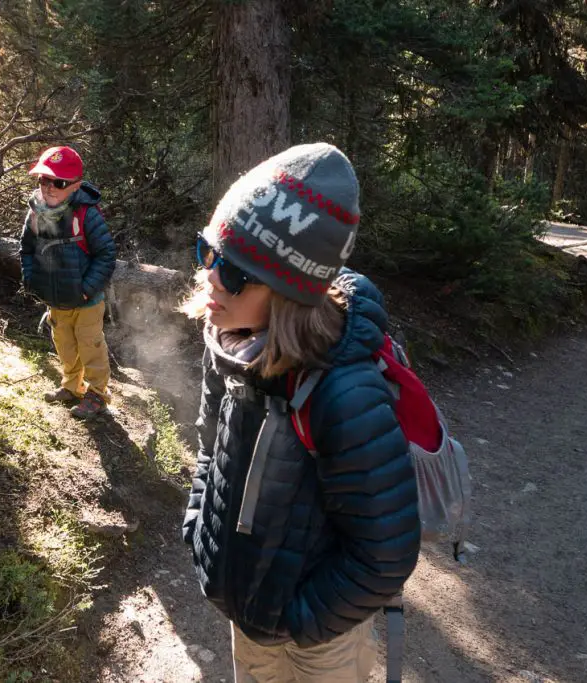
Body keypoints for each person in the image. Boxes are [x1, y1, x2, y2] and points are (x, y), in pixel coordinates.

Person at [180, 143, 421, 682]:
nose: (211, 279)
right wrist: (199, 534)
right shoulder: (228, 346)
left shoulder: (344, 392)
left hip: (318, 643)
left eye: (236, 272)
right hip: (246, 615)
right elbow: (208, 449)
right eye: (207, 252)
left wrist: (298, 621)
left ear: (289, 290)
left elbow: (385, 555)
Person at [20, 146, 116, 419]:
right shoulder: (36, 211)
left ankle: (97, 394)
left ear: (75, 186)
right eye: (43, 180)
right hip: (55, 298)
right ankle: (72, 387)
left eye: (59, 183)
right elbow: (26, 248)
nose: (49, 188)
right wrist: (30, 279)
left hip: (87, 300)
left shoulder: (86, 214)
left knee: (90, 345)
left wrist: (86, 289)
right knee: (64, 344)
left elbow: (106, 255)